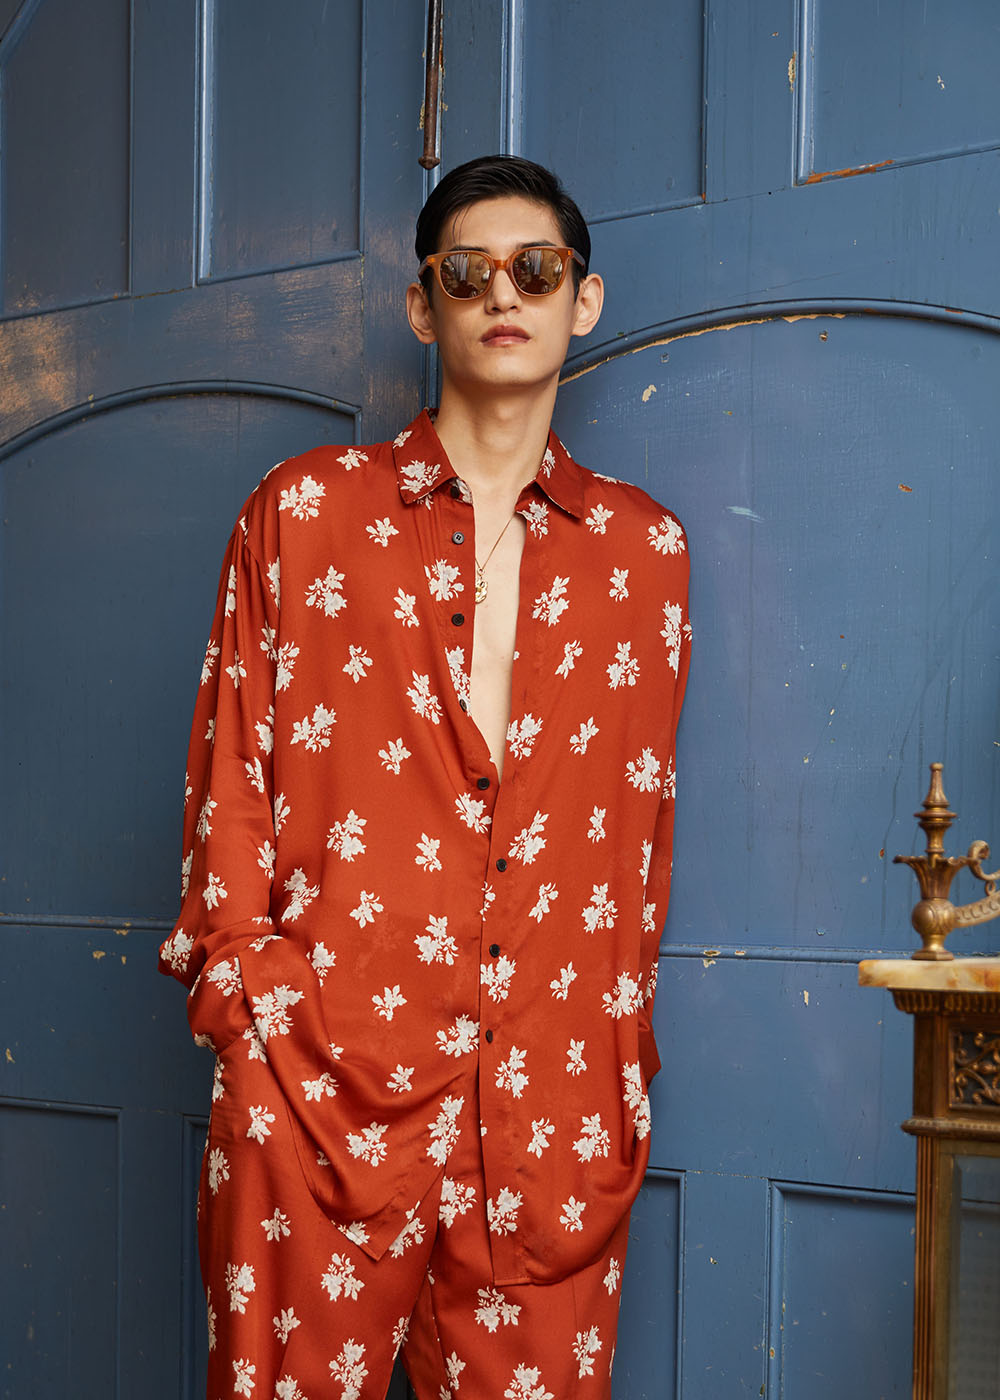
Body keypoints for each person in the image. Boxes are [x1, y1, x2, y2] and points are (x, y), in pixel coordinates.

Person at [160, 154, 690, 1400]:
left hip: (548, 1110)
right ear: (421, 303)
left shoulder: (642, 552)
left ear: (583, 298)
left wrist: (614, 1052)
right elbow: (231, 769)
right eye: (467, 271)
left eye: (535, 269)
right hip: (316, 1084)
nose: (502, 292)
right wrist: (250, 1007)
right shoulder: (304, 511)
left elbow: (636, 836)